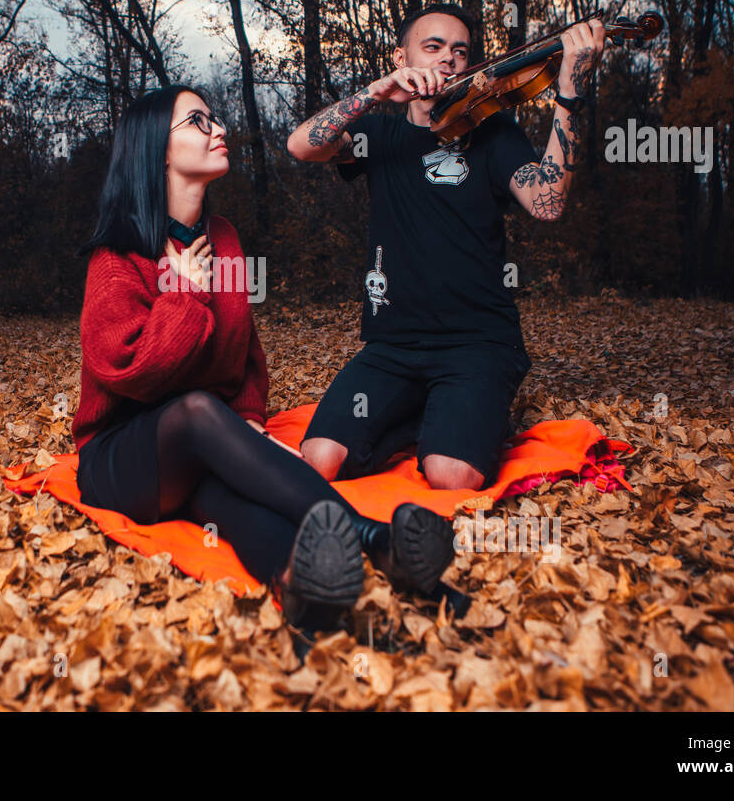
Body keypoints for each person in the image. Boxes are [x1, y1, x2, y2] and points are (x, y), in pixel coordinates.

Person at [72, 85, 456, 631]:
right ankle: (373, 534)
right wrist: (183, 295)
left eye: (215, 118)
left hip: (198, 453)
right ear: (157, 149)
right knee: (199, 411)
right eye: (197, 122)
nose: (219, 129)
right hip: (121, 457)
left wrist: (249, 421)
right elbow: (129, 374)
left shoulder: (223, 239)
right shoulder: (118, 255)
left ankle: (303, 591)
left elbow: (244, 351)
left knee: (225, 497)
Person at [286, 3, 605, 491]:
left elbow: (547, 203)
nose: (448, 59)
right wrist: (375, 93)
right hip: (391, 347)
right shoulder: (378, 133)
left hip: (476, 345)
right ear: (402, 57)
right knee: (320, 457)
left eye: (460, 50)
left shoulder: (493, 131)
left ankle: (452, 416)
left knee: (450, 474)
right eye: (432, 47)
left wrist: (570, 92)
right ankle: (423, 412)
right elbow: (302, 145)